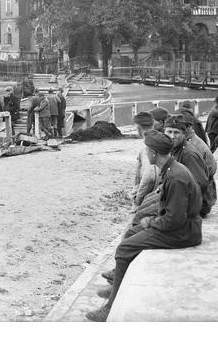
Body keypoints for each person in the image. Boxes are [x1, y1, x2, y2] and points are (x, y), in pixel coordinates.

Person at [86, 130, 203, 322]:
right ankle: (118, 286)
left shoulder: (175, 177)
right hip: (182, 227)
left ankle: (110, 308)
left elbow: (175, 220)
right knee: (132, 232)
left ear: (154, 153)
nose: (146, 153)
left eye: (147, 150)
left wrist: (151, 221)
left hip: (183, 232)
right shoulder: (173, 169)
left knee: (124, 248)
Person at [164, 115, 212, 217]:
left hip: (196, 204)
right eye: (169, 132)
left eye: (176, 132)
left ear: (184, 134)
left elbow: (200, 184)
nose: (172, 136)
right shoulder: (175, 149)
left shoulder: (188, 154)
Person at [131, 112, 160, 209]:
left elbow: (149, 176)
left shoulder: (147, 148)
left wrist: (138, 200)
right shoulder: (161, 141)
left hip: (150, 199)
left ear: (139, 129)